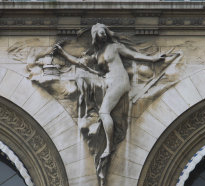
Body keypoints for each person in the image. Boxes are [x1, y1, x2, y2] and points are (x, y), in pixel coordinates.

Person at [54, 23, 166, 160]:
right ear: (95, 35)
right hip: (108, 82)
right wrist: (62, 53)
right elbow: (79, 62)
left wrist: (153, 59)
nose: (103, 34)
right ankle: (92, 114)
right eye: (100, 32)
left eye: (104, 31)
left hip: (120, 80)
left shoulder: (115, 47)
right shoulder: (97, 55)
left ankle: (109, 146)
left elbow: (134, 56)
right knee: (82, 77)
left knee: (104, 111)